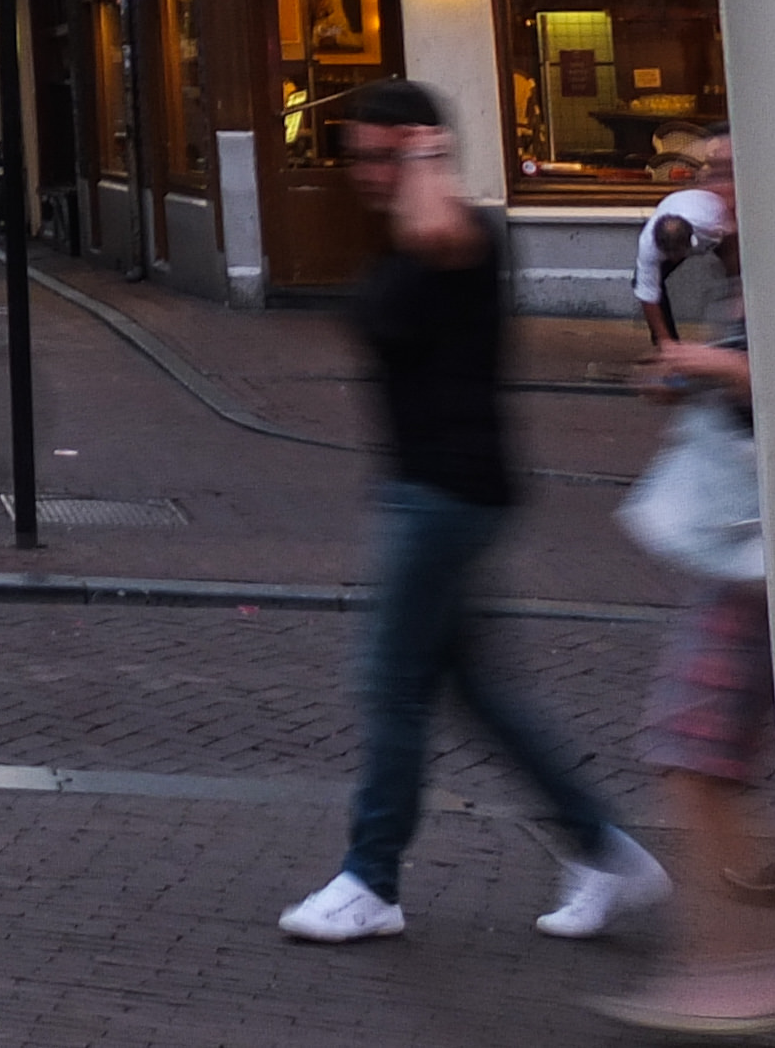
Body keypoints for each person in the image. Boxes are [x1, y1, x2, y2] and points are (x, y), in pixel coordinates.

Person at [278, 81, 664, 949]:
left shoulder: (463, 234)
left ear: (416, 147)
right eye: (355, 154)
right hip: (434, 491)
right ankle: (604, 849)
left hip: (444, 497)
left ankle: (371, 879)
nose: (360, 170)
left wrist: (425, 158)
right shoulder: (410, 238)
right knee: (479, 692)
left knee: (391, 685)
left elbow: (435, 231)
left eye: (376, 153)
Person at [604, 163, 775, 1037]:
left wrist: (710, 364)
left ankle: (743, 963)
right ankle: (754, 950)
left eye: (725, 168)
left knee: (693, 749)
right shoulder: (741, 275)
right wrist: (683, 373)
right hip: (747, 548)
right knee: (701, 753)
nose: (709, 187)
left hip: (754, 553)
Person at [634, 133, 735, 347]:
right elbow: (647, 295)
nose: (676, 260)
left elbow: (735, 234)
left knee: (736, 267)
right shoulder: (648, 245)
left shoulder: (712, 219)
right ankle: (667, 343)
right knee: (649, 282)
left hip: (716, 225)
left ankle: (740, 326)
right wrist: (666, 344)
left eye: (679, 255)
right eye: (671, 256)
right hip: (677, 209)